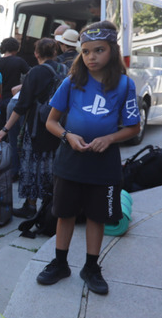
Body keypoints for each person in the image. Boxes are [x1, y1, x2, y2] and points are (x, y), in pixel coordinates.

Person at [38, 20, 141, 295]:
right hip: (70, 162)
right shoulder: (72, 82)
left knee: (98, 217)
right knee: (65, 213)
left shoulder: (124, 85)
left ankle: (91, 267)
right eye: (86, 51)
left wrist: (109, 138)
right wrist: (67, 136)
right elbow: (51, 122)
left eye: (99, 50)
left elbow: (133, 127)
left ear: (112, 51)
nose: (91, 57)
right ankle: (60, 263)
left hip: (104, 165)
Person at [0, 38, 60, 219]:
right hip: (58, 125)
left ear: (36, 53)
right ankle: (50, 205)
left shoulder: (36, 72)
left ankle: (30, 205)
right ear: (54, 52)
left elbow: (22, 105)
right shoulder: (64, 70)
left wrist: (5, 129)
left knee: (31, 164)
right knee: (51, 164)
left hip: (38, 126)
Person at [0, 38, 32, 180]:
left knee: (3, 138)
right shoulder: (19, 61)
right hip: (14, 101)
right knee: (14, 136)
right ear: (16, 48)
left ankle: (3, 165)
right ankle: (15, 168)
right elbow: (29, 76)